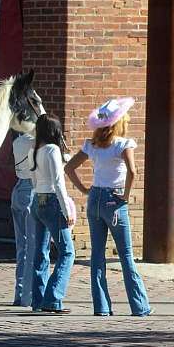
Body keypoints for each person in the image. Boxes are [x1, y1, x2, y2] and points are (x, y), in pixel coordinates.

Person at [64, 97, 152, 317]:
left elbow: (69, 167)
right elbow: (133, 172)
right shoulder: (123, 144)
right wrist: (126, 195)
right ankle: (139, 307)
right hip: (114, 200)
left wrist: (85, 190)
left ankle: (101, 307)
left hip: (94, 198)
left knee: (97, 255)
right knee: (126, 255)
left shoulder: (91, 145)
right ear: (119, 123)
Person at [28, 114, 76, 313]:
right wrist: (67, 210)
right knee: (67, 251)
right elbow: (59, 183)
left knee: (41, 252)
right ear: (55, 131)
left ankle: (38, 300)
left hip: (37, 200)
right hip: (52, 202)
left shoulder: (34, 150)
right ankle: (53, 298)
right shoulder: (53, 150)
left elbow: (33, 180)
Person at [10, 132, 36, 307]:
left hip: (18, 187)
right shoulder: (36, 141)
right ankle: (28, 294)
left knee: (22, 246)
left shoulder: (18, 141)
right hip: (31, 188)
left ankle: (19, 292)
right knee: (33, 246)